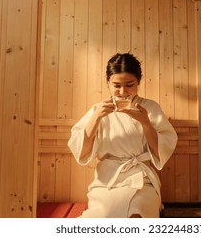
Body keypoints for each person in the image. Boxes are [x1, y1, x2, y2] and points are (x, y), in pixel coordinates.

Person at [68, 52, 178, 218]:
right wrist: (97, 117)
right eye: (116, 85)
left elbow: (160, 152)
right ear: (108, 84)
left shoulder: (150, 108)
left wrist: (146, 123)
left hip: (141, 181)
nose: (122, 91)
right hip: (108, 181)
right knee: (103, 217)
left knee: (137, 215)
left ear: (138, 83)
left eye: (129, 85)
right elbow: (82, 152)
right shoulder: (98, 109)